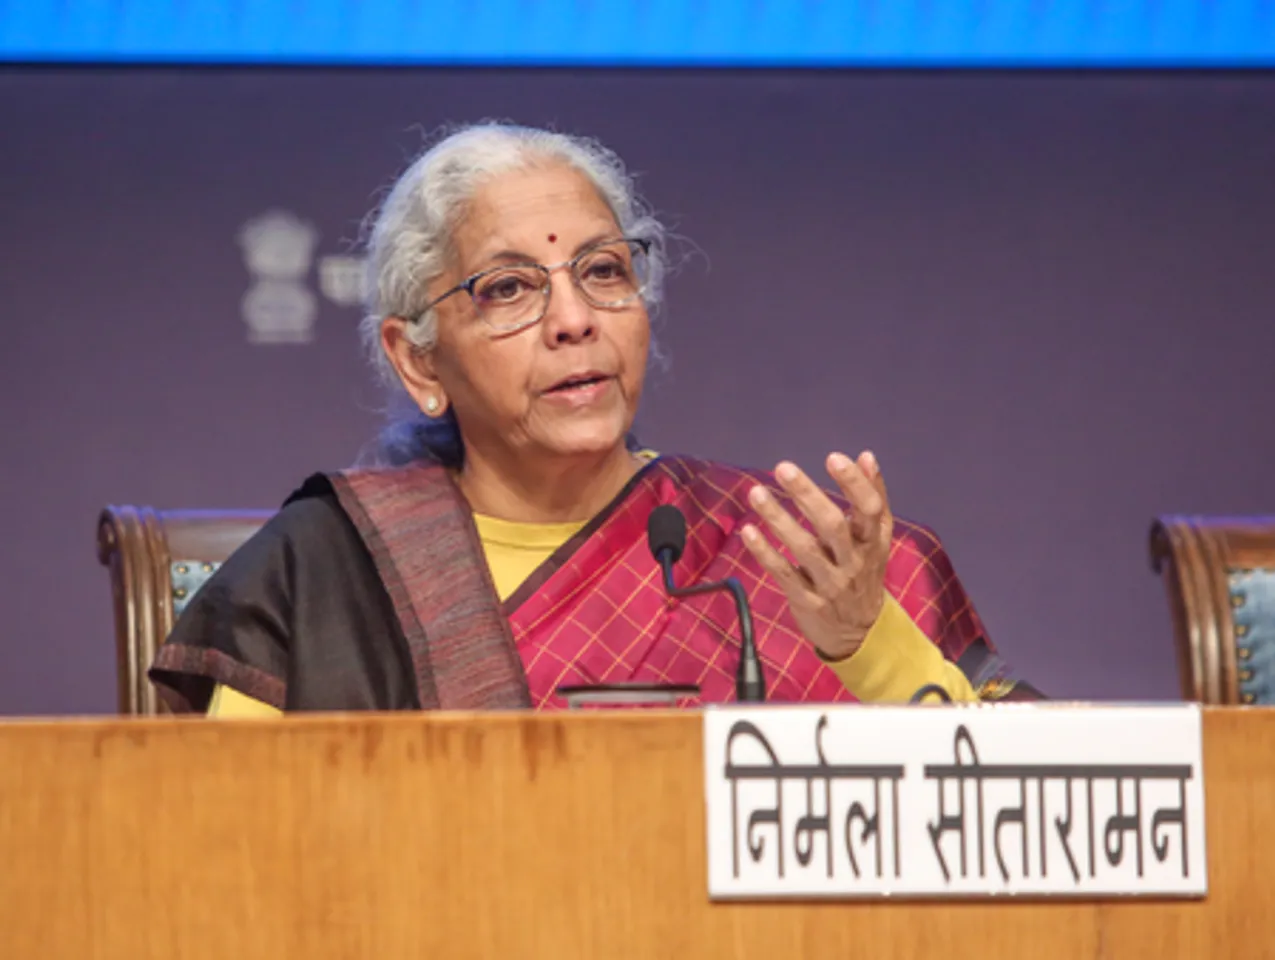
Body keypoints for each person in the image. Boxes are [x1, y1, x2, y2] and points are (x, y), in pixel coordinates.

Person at [150, 123, 1038, 716]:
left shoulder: (784, 558)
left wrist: (862, 642)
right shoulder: (324, 575)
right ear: (418, 361)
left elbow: (1019, 832)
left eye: (604, 272)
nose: (574, 319)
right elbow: (237, 865)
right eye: (508, 289)